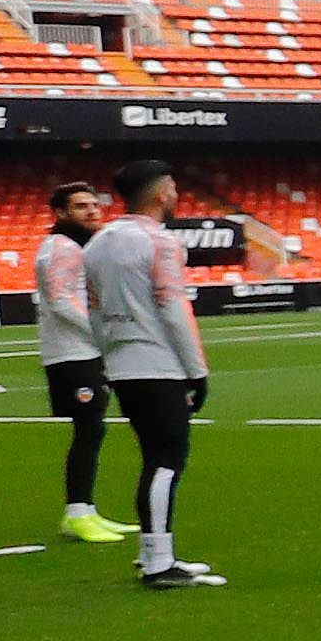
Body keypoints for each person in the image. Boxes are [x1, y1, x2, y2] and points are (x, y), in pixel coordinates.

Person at [80, 160, 219, 590]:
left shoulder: (98, 244)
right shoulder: (160, 243)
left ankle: (154, 554)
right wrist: (197, 372)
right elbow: (174, 308)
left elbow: (95, 311)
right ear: (161, 193)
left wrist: (109, 356)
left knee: (154, 458)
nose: (177, 195)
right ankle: (159, 561)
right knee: (166, 459)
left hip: (122, 363)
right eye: (173, 187)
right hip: (158, 364)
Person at [35, 180, 127, 546]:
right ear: (60, 213)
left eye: (94, 205)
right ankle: (77, 513)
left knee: (93, 429)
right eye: (80, 206)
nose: (91, 211)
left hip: (84, 352)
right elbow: (59, 301)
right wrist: (100, 334)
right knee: (88, 430)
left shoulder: (74, 246)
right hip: (71, 354)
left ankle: (85, 510)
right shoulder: (59, 248)